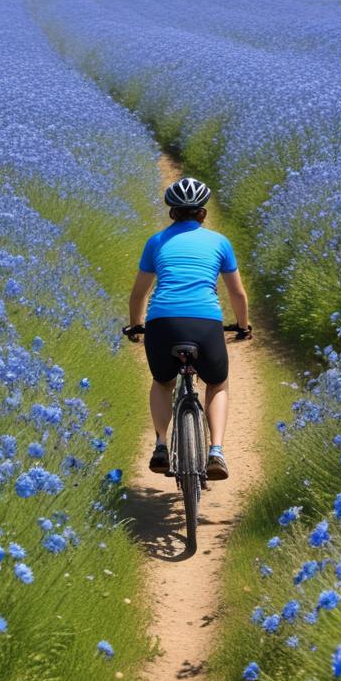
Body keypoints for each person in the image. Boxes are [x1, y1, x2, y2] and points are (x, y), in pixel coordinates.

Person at [124, 176, 251, 480]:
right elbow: (237, 294)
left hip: (162, 322)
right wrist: (243, 327)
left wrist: (135, 327)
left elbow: (139, 294)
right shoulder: (220, 242)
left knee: (163, 382)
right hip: (205, 323)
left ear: (171, 214)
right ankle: (216, 451)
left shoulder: (156, 242)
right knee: (217, 383)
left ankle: (161, 444)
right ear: (203, 214)